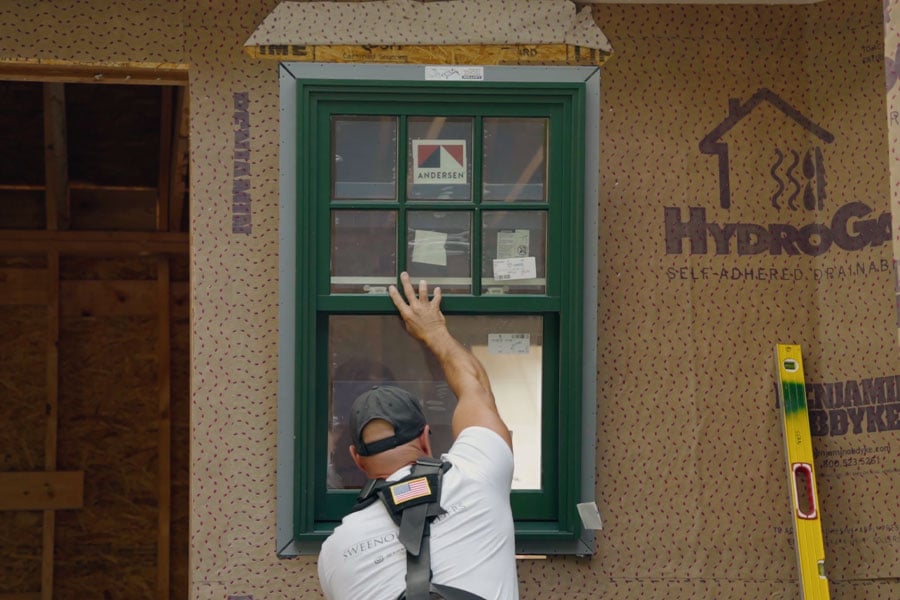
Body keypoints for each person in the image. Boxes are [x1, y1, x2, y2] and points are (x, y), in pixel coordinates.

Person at [317, 272, 519, 600]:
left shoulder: (336, 552)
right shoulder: (477, 474)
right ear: (426, 438)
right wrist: (434, 332)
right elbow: (476, 389)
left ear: (357, 459)